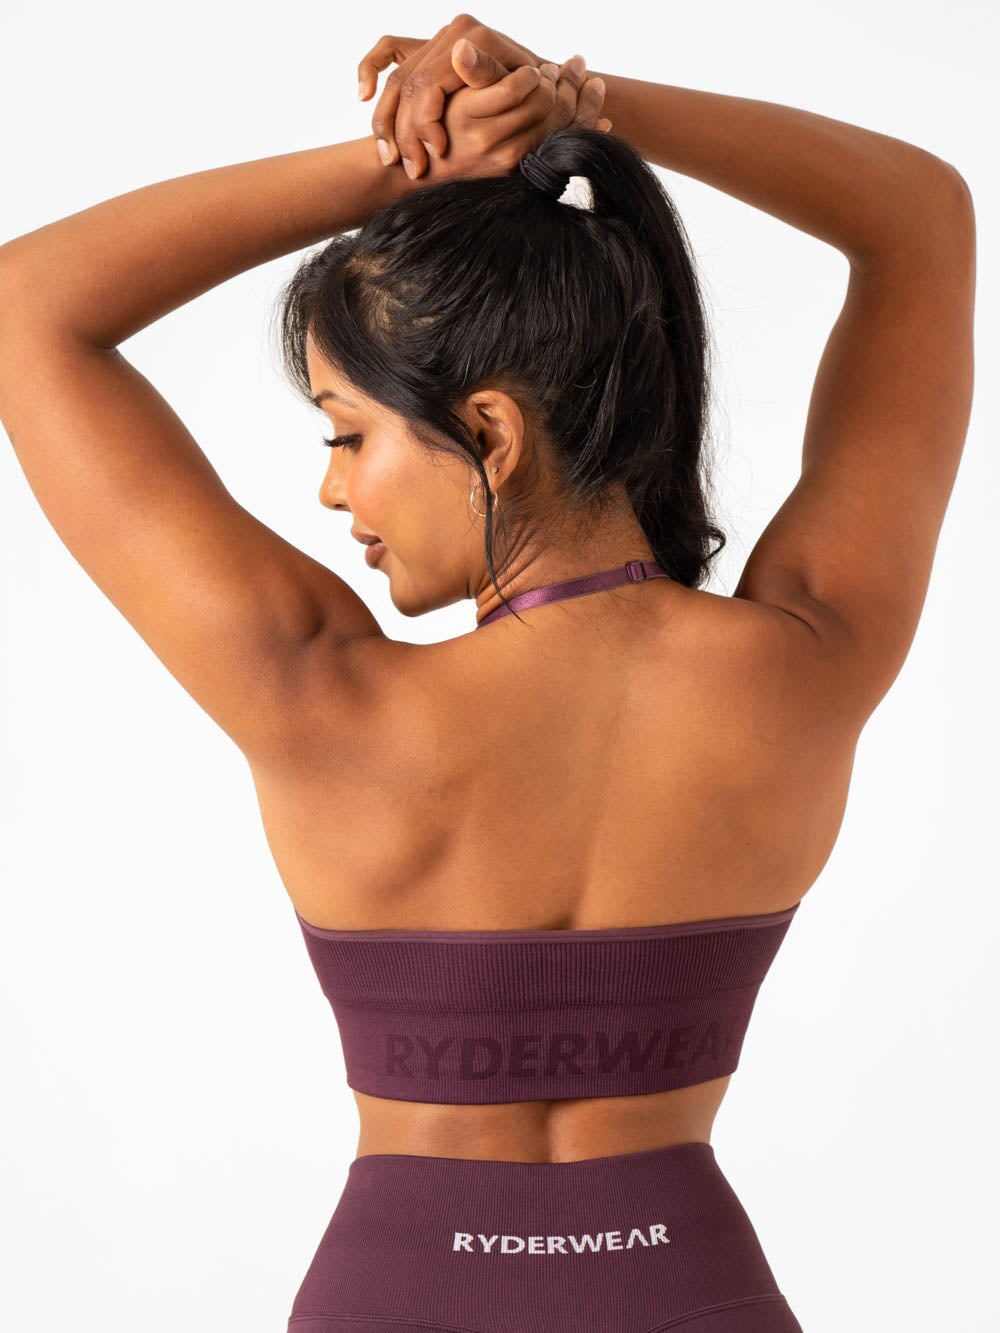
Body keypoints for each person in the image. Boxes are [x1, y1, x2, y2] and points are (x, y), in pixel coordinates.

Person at [0, 14, 975, 1332]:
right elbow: (922, 221)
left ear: (490, 434)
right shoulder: (809, 657)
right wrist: (579, 108)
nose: (334, 490)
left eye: (348, 435)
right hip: (688, 1291)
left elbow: (26, 306)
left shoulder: (321, 698)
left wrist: (417, 160)